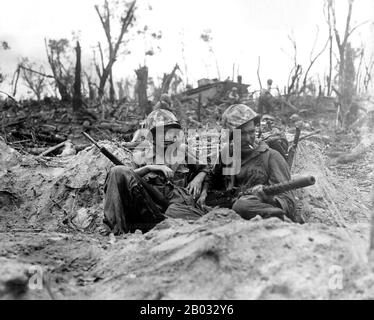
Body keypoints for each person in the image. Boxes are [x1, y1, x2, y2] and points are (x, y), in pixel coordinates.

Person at [103, 109, 209, 235]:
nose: (166, 136)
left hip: (177, 209)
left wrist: (199, 181)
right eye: (160, 132)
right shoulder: (141, 156)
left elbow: (206, 168)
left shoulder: (183, 151)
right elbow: (126, 178)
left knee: (179, 212)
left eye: (169, 132)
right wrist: (150, 168)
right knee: (117, 171)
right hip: (150, 211)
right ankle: (114, 230)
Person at [200, 104, 297, 222]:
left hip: (260, 213)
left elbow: (289, 202)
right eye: (241, 134)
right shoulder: (227, 154)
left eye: (251, 132)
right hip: (230, 215)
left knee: (242, 206)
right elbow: (213, 180)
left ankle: (280, 219)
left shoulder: (271, 157)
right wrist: (204, 192)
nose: (248, 138)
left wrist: (269, 198)